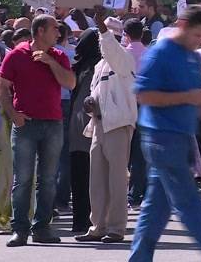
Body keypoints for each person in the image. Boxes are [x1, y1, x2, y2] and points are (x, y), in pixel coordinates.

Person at [129, 5, 201, 262]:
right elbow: (143, 94)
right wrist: (185, 98)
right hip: (161, 138)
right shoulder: (160, 53)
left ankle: (138, 258)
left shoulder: (194, 58)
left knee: (155, 208)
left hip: (181, 138)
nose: (198, 42)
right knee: (188, 201)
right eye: (196, 35)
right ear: (181, 25)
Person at [0, 14, 75, 247]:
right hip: (25, 125)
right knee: (23, 180)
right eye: (54, 29)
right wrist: (12, 114)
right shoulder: (16, 55)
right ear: (40, 31)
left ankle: (42, 227)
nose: (58, 33)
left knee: (48, 179)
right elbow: (1, 87)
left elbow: (70, 83)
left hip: (53, 123)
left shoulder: (58, 55)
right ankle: (19, 229)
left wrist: (50, 62)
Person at [74, 14, 137, 244]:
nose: (100, 41)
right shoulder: (100, 65)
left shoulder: (124, 57)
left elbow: (111, 48)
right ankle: (98, 225)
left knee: (117, 178)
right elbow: (99, 93)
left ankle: (116, 227)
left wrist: (102, 28)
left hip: (118, 124)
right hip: (99, 124)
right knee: (97, 179)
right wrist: (91, 102)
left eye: (104, 34)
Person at [69, 29, 101, 233]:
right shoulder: (97, 66)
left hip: (76, 125)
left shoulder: (79, 65)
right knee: (91, 177)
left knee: (79, 176)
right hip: (89, 128)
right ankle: (90, 218)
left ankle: (80, 219)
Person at [123, 18, 148, 209]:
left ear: (126, 34)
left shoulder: (123, 55)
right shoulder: (149, 55)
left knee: (123, 151)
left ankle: (126, 193)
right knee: (140, 153)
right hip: (146, 106)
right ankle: (137, 193)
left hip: (125, 105)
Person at [54, 23, 75, 211]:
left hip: (50, 102)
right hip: (66, 101)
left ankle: (49, 197)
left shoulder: (46, 54)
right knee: (64, 151)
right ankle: (61, 197)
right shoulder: (70, 54)